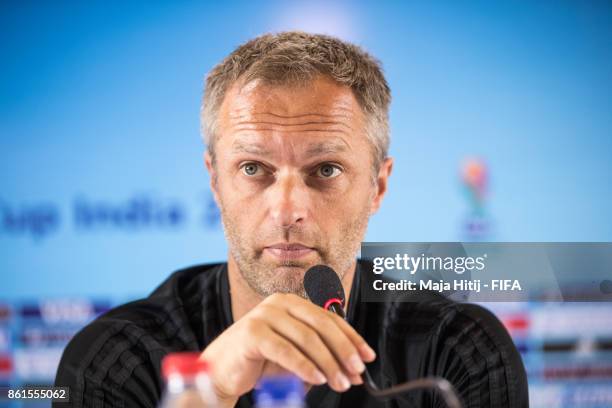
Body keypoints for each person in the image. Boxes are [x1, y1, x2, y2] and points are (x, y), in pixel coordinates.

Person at [54, 31, 528, 408]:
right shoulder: (113, 361)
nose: (286, 209)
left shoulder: (458, 352)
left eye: (326, 170)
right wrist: (205, 394)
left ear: (377, 187)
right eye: (253, 169)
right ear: (215, 181)